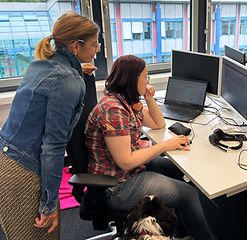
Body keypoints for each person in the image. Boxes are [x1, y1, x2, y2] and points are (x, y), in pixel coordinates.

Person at [85, 55, 218, 240]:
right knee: (188, 194)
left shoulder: (126, 101)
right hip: (117, 185)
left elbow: (158, 123)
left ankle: (181, 230)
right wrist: (164, 145)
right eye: (145, 77)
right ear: (133, 79)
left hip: (130, 171)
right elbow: (125, 162)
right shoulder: (114, 110)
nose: (147, 81)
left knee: (182, 172)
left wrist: (148, 97)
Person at [0, 12, 100, 240]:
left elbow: (52, 84)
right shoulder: (68, 82)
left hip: (5, 159)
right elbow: (53, 147)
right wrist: (49, 204)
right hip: (22, 172)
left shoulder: (42, 63)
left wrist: (76, 70)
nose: (97, 50)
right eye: (95, 44)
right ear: (76, 46)